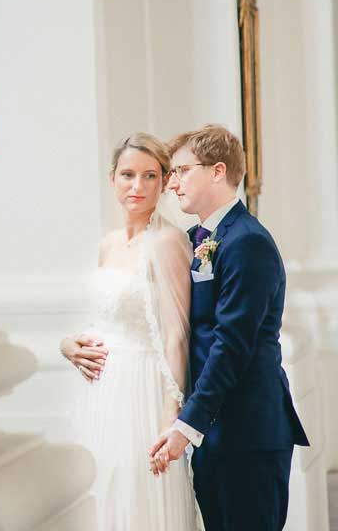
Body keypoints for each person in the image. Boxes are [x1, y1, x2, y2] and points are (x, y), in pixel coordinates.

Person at [148, 125, 308, 530]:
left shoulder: (247, 242)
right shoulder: (197, 238)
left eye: (183, 170)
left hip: (248, 433)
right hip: (214, 433)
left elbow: (232, 344)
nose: (173, 183)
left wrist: (187, 424)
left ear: (218, 171)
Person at [59, 133, 198, 530]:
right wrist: (68, 344)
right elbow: (105, 317)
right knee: (102, 491)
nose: (138, 186)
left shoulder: (168, 241)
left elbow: (176, 336)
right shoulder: (108, 244)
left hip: (142, 388)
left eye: (150, 176)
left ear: (165, 181)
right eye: (128, 175)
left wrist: (171, 416)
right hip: (99, 389)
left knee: (136, 492)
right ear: (112, 179)